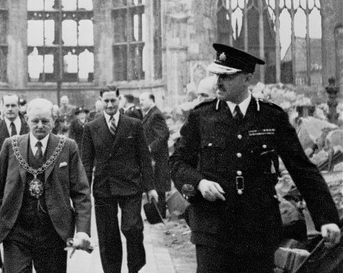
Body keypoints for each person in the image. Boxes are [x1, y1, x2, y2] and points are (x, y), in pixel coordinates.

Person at [170, 44, 341, 273]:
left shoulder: (271, 117)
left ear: (247, 78)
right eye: (218, 75)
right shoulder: (201, 117)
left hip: (257, 231)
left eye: (227, 76)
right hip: (212, 229)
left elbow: (302, 169)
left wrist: (326, 218)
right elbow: (177, 162)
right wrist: (200, 183)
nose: (219, 82)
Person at [0, 98, 92, 273]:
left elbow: (81, 193)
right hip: (16, 229)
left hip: (53, 231)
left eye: (45, 121)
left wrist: (82, 231)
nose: (40, 125)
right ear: (26, 120)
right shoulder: (10, 146)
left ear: (54, 121)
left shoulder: (67, 147)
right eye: (35, 121)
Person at [80, 86, 158, 273]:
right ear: (100, 101)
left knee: (132, 227)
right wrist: (83, 192)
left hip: (130, 185)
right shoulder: (91, 127)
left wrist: (150, 187)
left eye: (112, 100)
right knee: (108, 235)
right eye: (105, 101)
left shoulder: (133, 124)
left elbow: (144, 158)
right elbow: (86, 162)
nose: (109, 105)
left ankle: (135, 267)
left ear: (119, 99)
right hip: (103, 187)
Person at [139, 92, 171, 219]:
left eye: (143, 100)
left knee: (159, 185)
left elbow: (163, 135)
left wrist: (149, 148)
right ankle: (156, 214)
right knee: (154, 183)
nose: (140, 102)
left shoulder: (155, 115)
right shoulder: (149, 114)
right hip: (153, 157)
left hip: (158, 157)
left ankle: (159, 214)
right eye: (140, 100)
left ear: (151, 101)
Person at [0, 95, 28, 163]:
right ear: (2, 107)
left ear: (19, 107)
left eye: (13, 105)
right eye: (7, 106)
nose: (10, 109)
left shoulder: (28, 127)